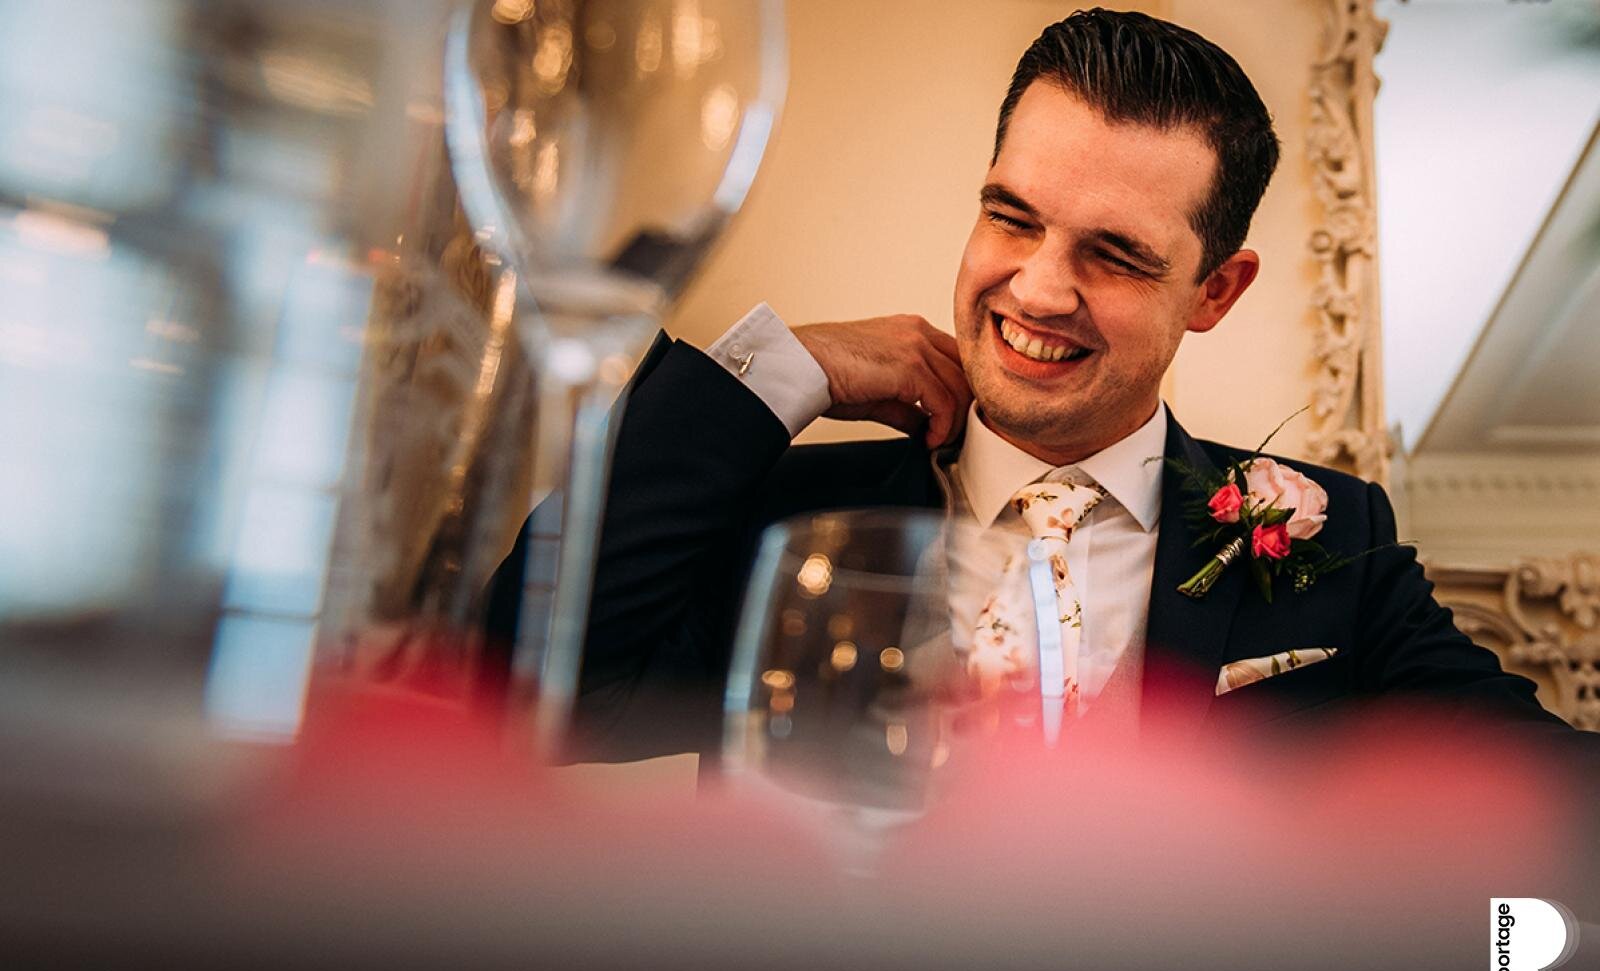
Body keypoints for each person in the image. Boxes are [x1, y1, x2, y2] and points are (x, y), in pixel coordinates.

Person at [488, 8, 1572, 760]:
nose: (1037, 290)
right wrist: (780, 370)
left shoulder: (1337, 545)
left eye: (1115, 254)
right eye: (1010, 217)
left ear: (1215, 290)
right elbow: (518, 687)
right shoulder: (793, 523)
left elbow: (1541, 798)